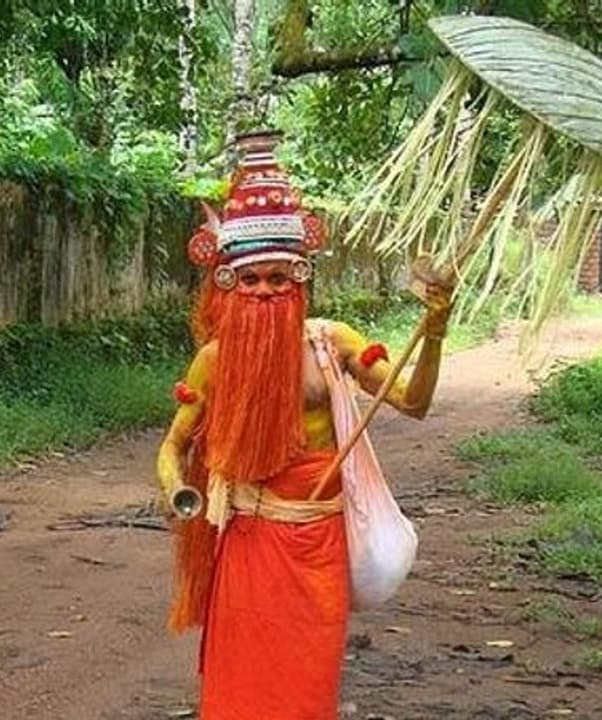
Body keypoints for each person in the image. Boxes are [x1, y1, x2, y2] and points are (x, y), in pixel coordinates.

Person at [154, 130, 454, 720]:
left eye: (278, 279)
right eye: (251, 280)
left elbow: (414, 403)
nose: (265, 291)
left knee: (305, 691)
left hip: (318, 546)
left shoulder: (331, 344)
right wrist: (179, 490)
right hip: (247, 543)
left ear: (301, 281)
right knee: (242, 691)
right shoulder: (214, 361)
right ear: (228, 284)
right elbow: (173, 446)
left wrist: (437, 329)